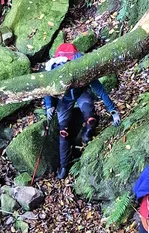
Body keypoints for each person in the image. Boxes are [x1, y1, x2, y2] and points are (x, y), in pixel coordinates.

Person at [44, 42, 121, 179]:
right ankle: (64, 166)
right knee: (63, 132)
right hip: (64, 98)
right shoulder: (52, 70)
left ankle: (86, 134)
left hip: (80, 92)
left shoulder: (82, 69)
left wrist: (113, 110)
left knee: (91, 119)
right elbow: (46, 89)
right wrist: (49, 105)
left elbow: (100, 90)